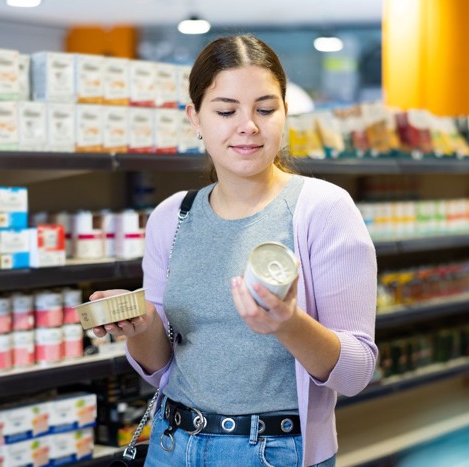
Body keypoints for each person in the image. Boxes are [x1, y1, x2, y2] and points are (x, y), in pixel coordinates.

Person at [90, 34, 377, 467]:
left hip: (275, 452)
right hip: (171, 446)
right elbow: (160, 363)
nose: (249, 126)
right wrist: (141, 324)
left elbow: (356, 373)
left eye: (266, 109)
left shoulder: (322, 209)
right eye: (226, 111)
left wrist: (287, 323)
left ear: (285, 114)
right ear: (196, 118)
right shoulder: (173, 216)